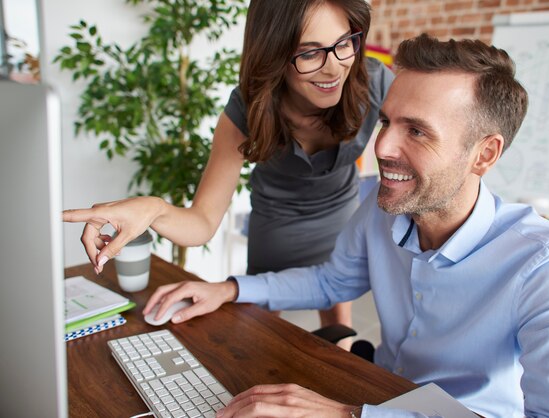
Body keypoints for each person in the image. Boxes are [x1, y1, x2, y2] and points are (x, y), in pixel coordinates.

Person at [143, 33, 549, 417]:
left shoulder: (545, 264)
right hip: (379, 392)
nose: (382, 147)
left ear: (484, 154)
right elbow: (330, 281)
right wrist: (228, 289)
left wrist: (349, 416)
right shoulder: (381, 206)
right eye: (386, 122)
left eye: (417, 130)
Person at [62, 0, 395, 350]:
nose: (333, 69)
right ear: (274, 52)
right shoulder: (248, 108)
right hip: (276, 226)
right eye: (309, 54)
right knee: (259, 335)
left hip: (339, 218)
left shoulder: (374, 83)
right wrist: (153, 209)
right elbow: (201, 222)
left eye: (343, 43)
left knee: (339, 339)